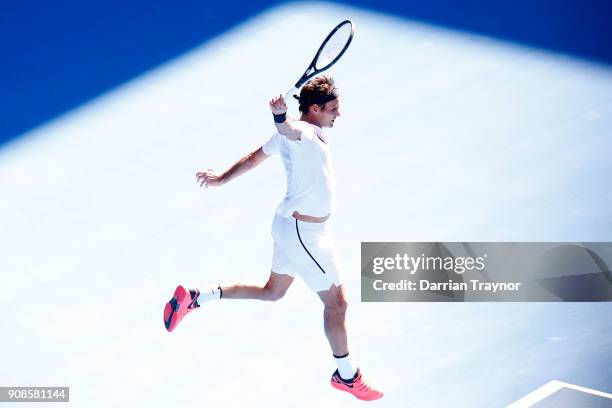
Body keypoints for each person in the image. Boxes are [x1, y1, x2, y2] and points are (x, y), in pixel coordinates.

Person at [163, 76, 383, 401]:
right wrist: (280, 118)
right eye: (333, 108)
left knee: (273, 292)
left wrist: (223, 178)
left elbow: (254, 158)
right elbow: (290, 130)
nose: (339, 114)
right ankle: (347, 375)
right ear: (315, 108)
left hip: (290, 227)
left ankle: (197, 297)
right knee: (337, 304)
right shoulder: (302, 132)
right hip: (303, 234)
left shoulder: (299, 135)